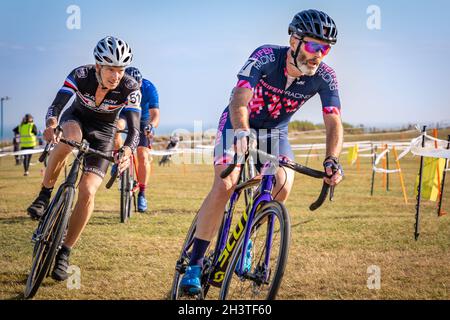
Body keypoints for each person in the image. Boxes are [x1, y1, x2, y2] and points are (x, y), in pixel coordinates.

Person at [179, 9, 344, 294]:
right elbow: (240, 98)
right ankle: (194, 263)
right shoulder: (266, 56)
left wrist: (332, 159)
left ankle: (247, 237)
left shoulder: (325, 77)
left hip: (275, 133)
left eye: (325, 49)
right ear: (294, 41)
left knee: (282, 184)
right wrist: (242, 131)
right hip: (237, 125)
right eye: (314, 46)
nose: (319, 54)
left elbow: (333, 120)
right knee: (225, 184)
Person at [26, 36, 141, 281]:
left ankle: (65, 251)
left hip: (105, 134)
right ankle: (45, 195)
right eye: (111, 69)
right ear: (98, 66)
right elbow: (56, 105)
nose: (116, 76)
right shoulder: (80, 75)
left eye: (120, 70)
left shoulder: (130, 88)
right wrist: (51, 124)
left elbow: (134, 130)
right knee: (71, 139)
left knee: (88, 191)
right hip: (75, 119)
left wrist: (128, 151)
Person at [112, 67, 160, 212]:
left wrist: (151, 126)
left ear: (141, 83)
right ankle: (117, 157)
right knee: (116, 127)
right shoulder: (119, 86)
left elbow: (155, 115)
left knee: (143, 155)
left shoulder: (149, 88)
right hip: (125, 114)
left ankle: (142, 193)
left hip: (143, 119)